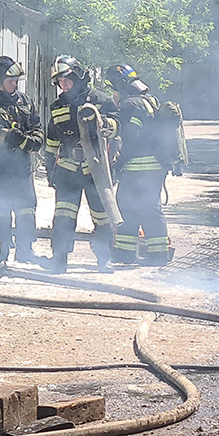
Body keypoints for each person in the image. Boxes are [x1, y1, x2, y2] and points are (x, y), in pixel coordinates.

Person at [42, 55, 118, 273]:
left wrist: (106, 125)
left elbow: (117, 125)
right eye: (59, 82)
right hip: (67, 169)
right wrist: (50, 169)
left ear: (77, 75)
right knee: (63, 215)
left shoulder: (100, 100)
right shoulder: (57, 106)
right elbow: (51, 140)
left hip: (95, 168)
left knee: (101, 216)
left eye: (66, 79)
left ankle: (104, 259)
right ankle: (59, 259)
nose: (62, 85)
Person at [0, 56, 43, 263]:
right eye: (10, 81)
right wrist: (9, 137)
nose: (14, 85)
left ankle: (25, 251)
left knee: (26, 209)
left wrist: (31, 142)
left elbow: (37, 128)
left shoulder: (24, 101)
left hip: (21, 168)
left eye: (16, 81)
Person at [105, 64, 170, 266]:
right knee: (149, 208)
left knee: (128, 207)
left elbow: (130, 137)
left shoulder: (130, 105)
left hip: (139, 167)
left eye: (113, 89)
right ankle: (156, 253)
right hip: (155, 166)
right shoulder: (150, 100)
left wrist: (119, 162)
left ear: (120, 86)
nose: (114, 94)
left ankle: (127, 254)